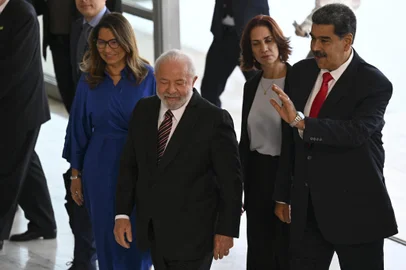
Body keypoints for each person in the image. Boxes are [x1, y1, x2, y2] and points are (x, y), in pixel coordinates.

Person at [271, 4, 398, 270]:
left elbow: (355, 133)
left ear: (347, 40)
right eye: (314, 38)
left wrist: (300, 121)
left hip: (357, 214)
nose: (315, 46)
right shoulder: (303, 73)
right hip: (307, 214)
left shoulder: (374, 84)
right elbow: (290, 141)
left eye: (324, 40)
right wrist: (283, 195)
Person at [114, 49, 243, 270]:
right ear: (155, 79)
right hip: (154, 230)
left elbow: (231, 181)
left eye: (180, 82)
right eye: (164, 82)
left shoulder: (214, 119)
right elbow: (129, 166)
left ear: (193, 81)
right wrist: (122, 214)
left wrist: (226, 230)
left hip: (195, 237)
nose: (171, 90)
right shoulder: (144, 110)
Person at [62, 13, 154, 270]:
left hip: (139, 168)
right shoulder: (89, 79)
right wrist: (76, 175)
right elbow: (78, 129)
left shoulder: (148, 76)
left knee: (138, 240)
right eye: (101, 43)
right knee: (106, 238)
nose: (107, 49)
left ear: (126, 42)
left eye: (114, 42)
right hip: (99, 168)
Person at [0, 0, 55, 250]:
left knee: (7, 173)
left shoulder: (22, 12)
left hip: (21, 109)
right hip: (10, 107)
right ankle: (44, 222)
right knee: (24, 162)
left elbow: (13, 69)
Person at [239, 15, 291, 270]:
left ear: (279, 41)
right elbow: (245, 141)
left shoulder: (299, 81)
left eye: (268, 40)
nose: (264, 49)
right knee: (258, 251)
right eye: (256, 43)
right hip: (257, 178)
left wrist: (286, 193)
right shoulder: (251, 86)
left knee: (285, 253)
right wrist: (238, 188)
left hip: (287, 175)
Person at [63, 0, 111, 269]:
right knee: (76, 193)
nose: (85, 0)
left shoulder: (114, 29)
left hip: (105, 132)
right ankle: (84, 258)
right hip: (82, 125)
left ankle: (89, 258)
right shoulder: (78, 27)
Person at [200, 0, 269, 107]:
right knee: (209, 89)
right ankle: (214, 123)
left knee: (261, 91)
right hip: (223, 36)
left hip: (250, 39)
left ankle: (262, 122)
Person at [293, 0, 361, 58]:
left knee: (308, 69)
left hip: (330, 42)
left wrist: (304, 28)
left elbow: (321, 10)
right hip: (342, 45)